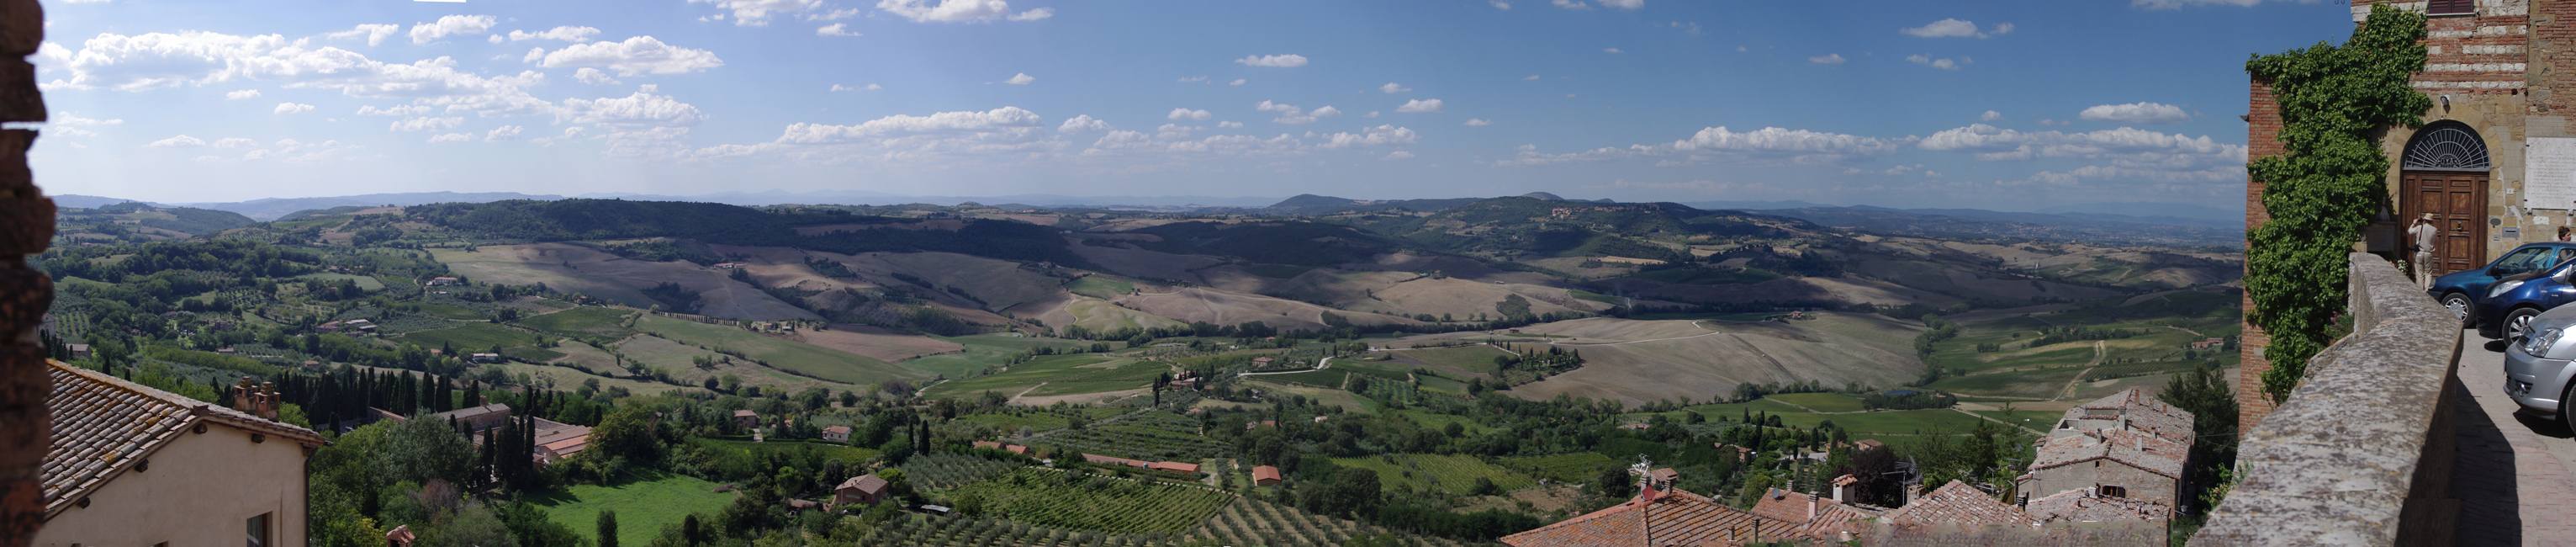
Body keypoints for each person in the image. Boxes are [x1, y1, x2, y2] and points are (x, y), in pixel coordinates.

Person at [2411, 214, 2440, 286]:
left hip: (2420, 253)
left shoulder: (2419, 228)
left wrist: (2414, 223)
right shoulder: (2435, 230)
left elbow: (2410, 231)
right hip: (2428, 253)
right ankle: (2427, 291)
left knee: (2419, 274)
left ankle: (2420, 291)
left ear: (2424, 220)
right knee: (2428, 273)